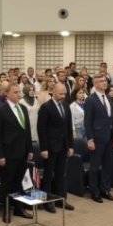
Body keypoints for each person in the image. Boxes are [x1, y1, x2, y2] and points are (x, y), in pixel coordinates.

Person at [0, 83, 33, 223]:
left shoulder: (23, 108)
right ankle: (6, 211)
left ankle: (18, 208)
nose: (18, 94)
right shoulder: (1, 111)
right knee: (7, 183)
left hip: (22, 151)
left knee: (19, 182)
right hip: (8, 153)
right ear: (7, 94)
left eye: (19, 92)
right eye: (15, 92)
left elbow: (27, 131)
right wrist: (0, 155)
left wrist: (29, 149)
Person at [37, 82, 75, 213]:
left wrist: (71, 145)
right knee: (48, 175)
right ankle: (47, 201)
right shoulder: (46, 107)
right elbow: (41, 129)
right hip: (50, 147)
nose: (63, 96)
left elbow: (68, 127)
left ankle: (61, 199)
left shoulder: (66, 105)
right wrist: (43, 148)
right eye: (60, 94)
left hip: (63, 146)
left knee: (61, 174)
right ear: (53, 92)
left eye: (64, 93)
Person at [83, 73, 113, 203]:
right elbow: (87, 121)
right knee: (95, 166)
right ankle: (94, 191)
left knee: (108, 165)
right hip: (97, 137)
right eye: (101, 81)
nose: (104, 83)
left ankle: (105, 190)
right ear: (95, 83)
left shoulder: (109, 98)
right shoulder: (90, 99)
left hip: (110, 137)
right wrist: (90, 139)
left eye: (105, 81)